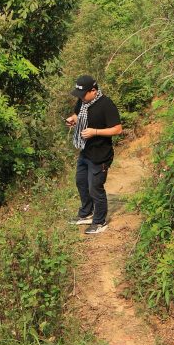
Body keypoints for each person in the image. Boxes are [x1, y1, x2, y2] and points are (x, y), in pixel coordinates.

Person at [65, 75, 122, 234]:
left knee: (95, 187)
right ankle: (86, 214)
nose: (80, 98)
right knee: (81, 182)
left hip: (100, 155)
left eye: (83, 94)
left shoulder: (106, 105)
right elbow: (78, 115)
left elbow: (117, 129)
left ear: (93, 91)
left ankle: (99, 221)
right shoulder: (83, 102)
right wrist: (72, 119)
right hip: (85, 151)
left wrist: (95, 132)